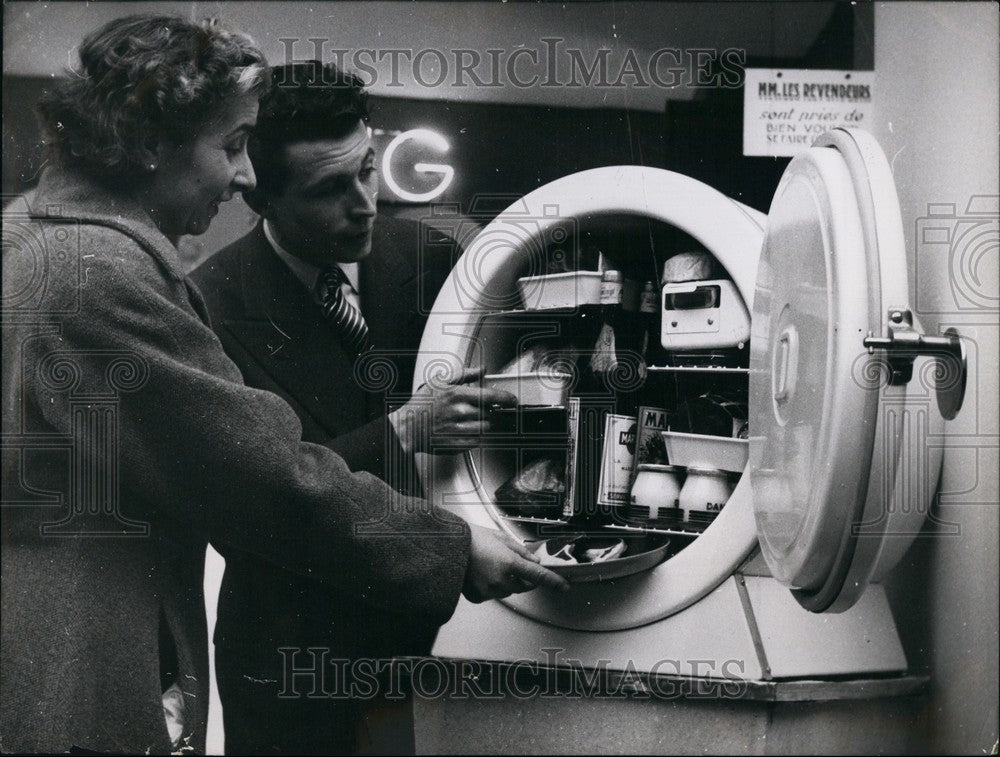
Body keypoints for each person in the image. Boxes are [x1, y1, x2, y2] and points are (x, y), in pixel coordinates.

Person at [0, 15, 568, 756]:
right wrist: (453, 550)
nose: (242, 176)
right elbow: (260, 477)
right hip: (90, 661)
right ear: (149, 146)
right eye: (231, 145)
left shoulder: (30, 233)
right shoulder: (100, 274)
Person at [189, 60, 516, 755]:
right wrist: (402, 430)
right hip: (293, 658)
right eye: (331, 189)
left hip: (438, 633)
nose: (365, 202)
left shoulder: (428, 255)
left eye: (367, 169)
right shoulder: (210, 305)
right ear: (262, 198)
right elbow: (250, 504)